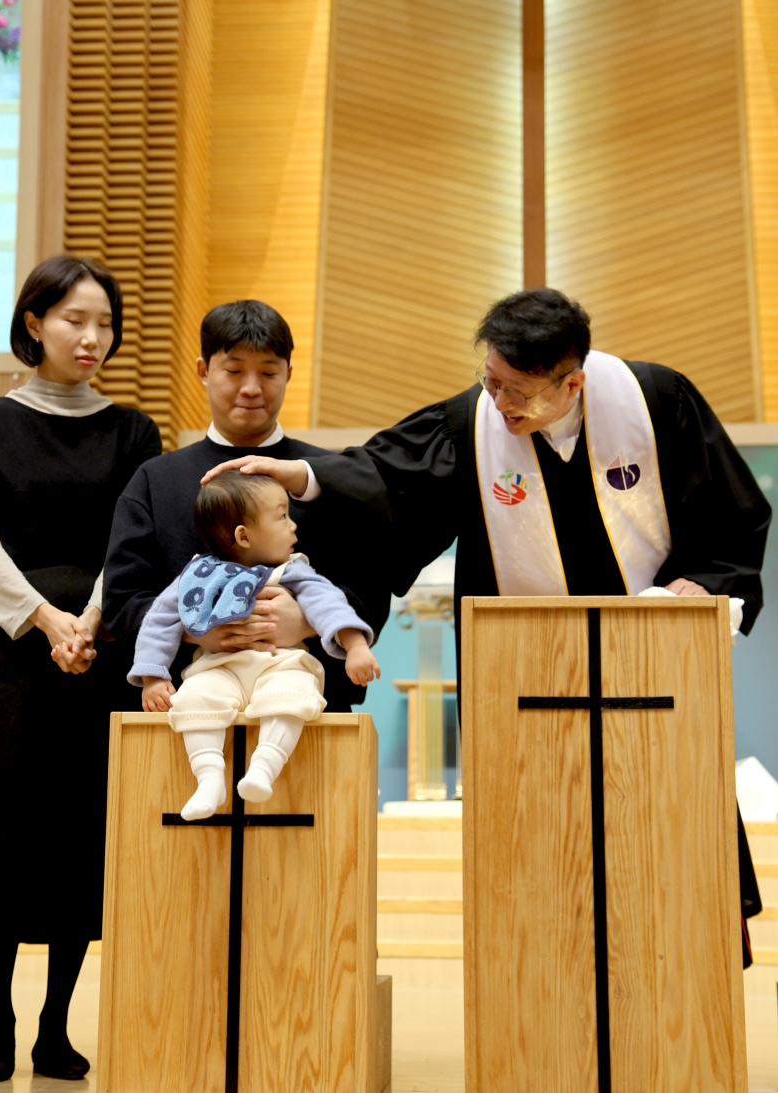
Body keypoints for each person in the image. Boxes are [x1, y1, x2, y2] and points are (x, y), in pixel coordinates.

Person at [202, 287, 771, 965]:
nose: (497, 402)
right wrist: (300, 474)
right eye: (490, 380)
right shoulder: (473, 422)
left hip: (652, 667)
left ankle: (680, 974)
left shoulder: (656, 402)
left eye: (515, 391)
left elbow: (731, 517)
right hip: (525, 679)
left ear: (571, 384)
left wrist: (705, 583)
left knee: (664, 849)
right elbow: (389, 478)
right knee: (543, 860)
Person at [0, 256, 162, 1081]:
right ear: (34, 323)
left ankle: (55, 1027)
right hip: (13, 648)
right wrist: (48, 618)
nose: (92, 337)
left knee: (76, 840)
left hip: (98, 649)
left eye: (105, 323)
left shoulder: (132, 431)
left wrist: (89, 619)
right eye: (74, 320)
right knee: (1, 839)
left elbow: (131, 540)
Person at [102, 299, 389, 711]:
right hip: (182, 710)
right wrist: (196, 628)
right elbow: (120, 600)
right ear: (203, 371)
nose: (251, 387)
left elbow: (372, 585)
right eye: (234, 371)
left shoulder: (328, 475)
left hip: (311, 711)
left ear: (289, 374)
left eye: (268, 372)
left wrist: (305, 622)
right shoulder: (154, 480)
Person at [130, 472, 379, 819]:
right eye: (282, 516)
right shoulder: (198, 575)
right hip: (219, 667)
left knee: (293, 695)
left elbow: (331, 606)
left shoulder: (293, 572)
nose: (293, 525)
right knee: (192, 698)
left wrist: (355, 647)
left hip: (281, 664)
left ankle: (265, 766)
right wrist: (153, 677)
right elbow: (159, 621)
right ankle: (208, 778)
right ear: (243, 536)